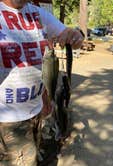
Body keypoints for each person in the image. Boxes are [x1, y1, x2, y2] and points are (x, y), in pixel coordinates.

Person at [0, 0, 84, 165]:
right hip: (7, 118)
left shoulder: (38, 13)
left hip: (36, 110)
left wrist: (75, 36)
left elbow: (72, 40)